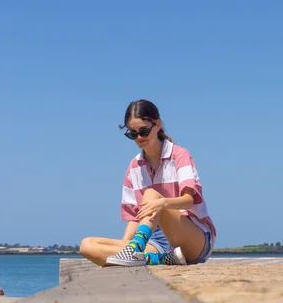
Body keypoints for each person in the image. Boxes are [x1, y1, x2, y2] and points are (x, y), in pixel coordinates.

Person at [79, 99, 216, 267]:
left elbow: (189, 200)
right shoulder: (133, 167)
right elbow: (133, 218)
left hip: (192, 236)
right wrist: (123, 250)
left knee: (151, 194)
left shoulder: (179, 155)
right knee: (87, 246)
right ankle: (150, 257)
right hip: (154, 242)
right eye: (133, 133)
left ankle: (135, 252)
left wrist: (162, 203)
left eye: (143, 131)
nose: (139, 138)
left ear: (157, 125)